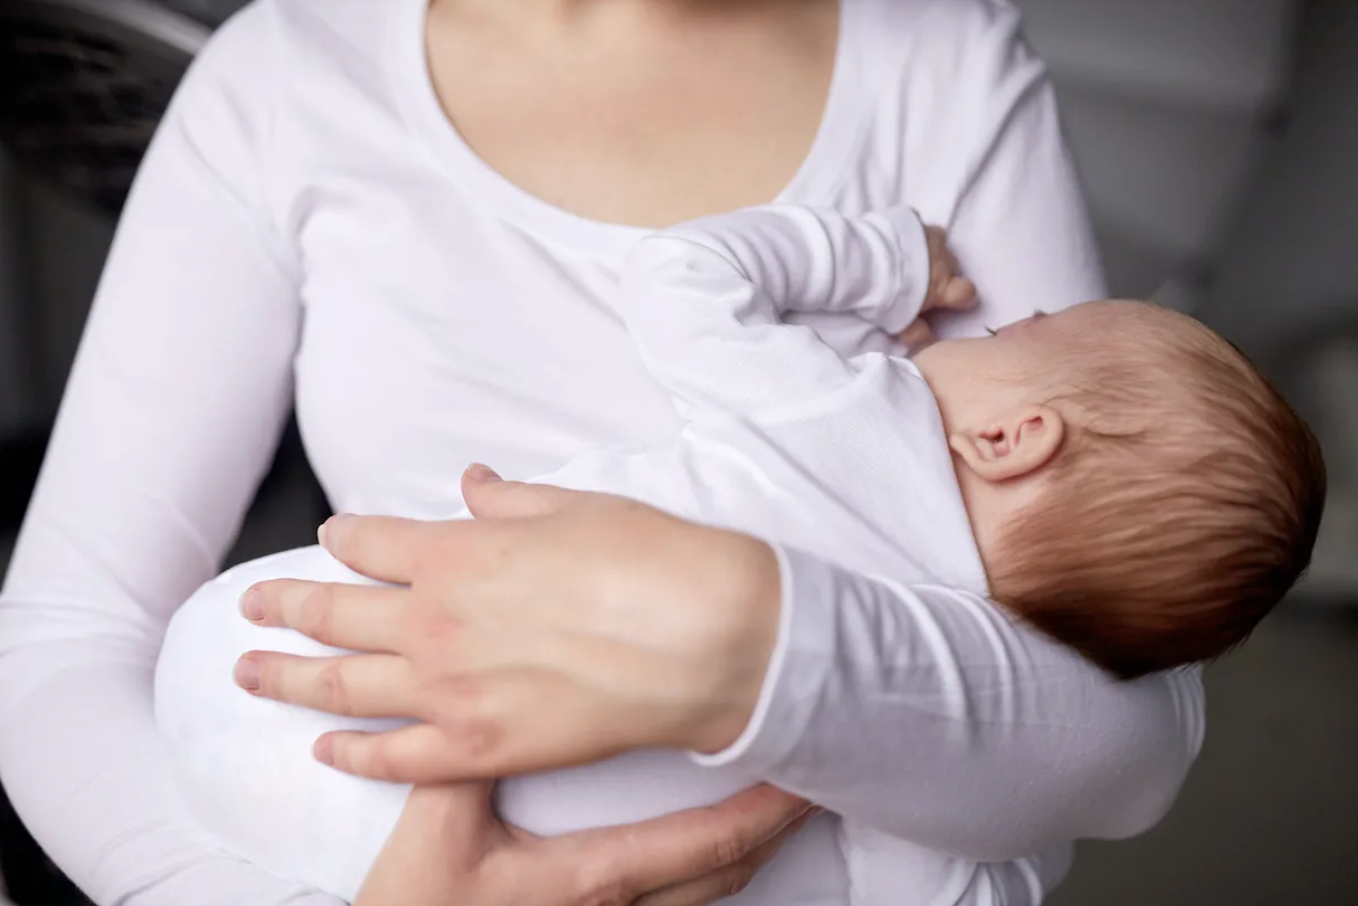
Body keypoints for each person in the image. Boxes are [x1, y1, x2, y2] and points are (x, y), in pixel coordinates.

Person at [0, 1, 1206, 904]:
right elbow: (65, 633)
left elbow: (1132, 733)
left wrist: (744, 642)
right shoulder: (290, 75)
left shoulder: (936, 63)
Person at [158, 204, 1322, 906]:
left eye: (1019, 334)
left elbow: (679, 277)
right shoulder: (950, 735)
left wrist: (881, 263)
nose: (985, 329)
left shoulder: (846, 411)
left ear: (1013, 438)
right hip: (401, 856)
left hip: (269, 655)